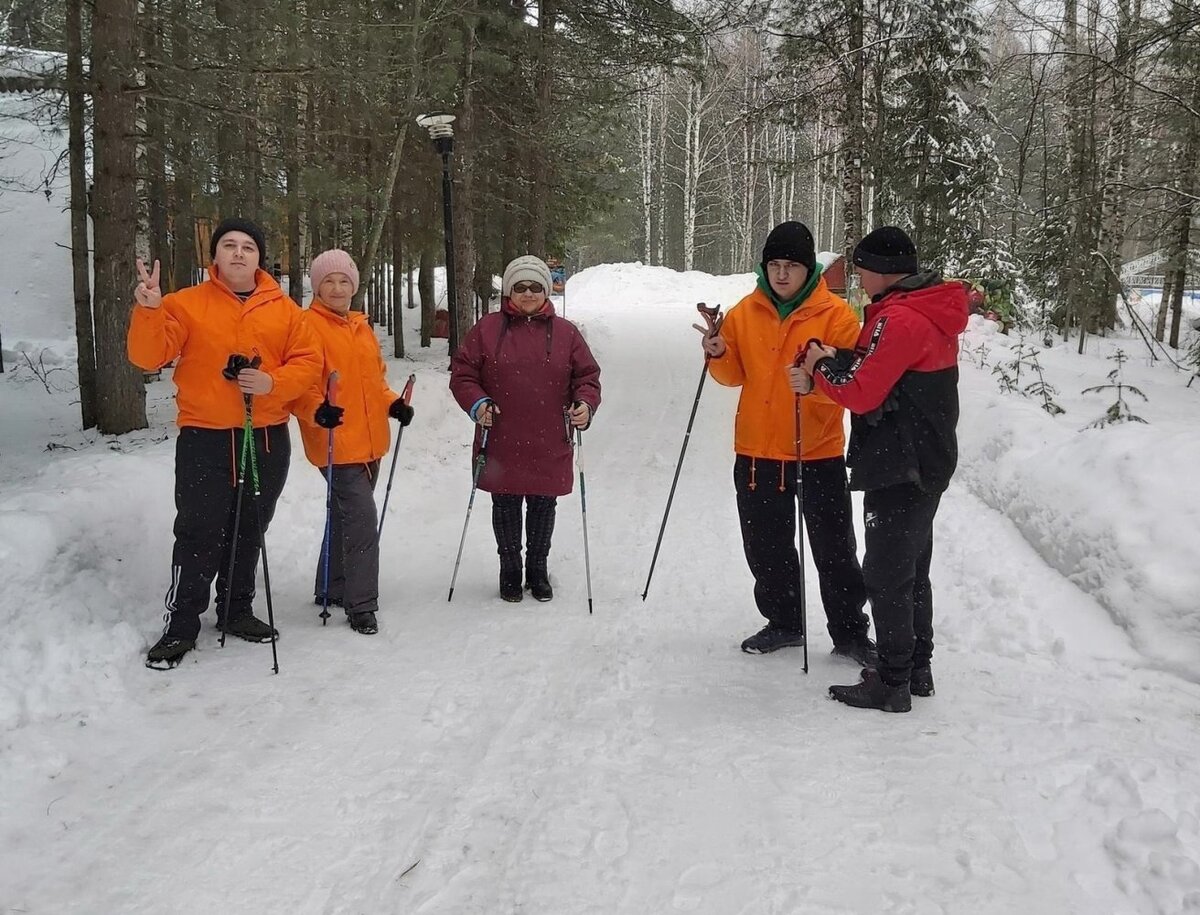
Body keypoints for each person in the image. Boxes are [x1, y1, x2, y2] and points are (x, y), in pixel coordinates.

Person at [128, 217, 321, 669]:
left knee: (248, 527)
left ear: (260, 257)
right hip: (206, 437)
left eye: (248, 246)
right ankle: (181, 625)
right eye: (229, 245)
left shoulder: (286, 309)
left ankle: (236, 610)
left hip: (266, 435)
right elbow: (147, 356)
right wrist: (150, 310)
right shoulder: (184, 304)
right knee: (199, 531)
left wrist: (272, 381)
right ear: (213, 257)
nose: (238, 253)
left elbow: (309, 362)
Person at [792, 226, 968, 712]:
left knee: (887, 572)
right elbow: (885, 371)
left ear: (881, 271)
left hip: (901, 462)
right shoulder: (924, 309)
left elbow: (863, 391)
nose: (856, 276)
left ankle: (892, 682)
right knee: (912, 567)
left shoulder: (902, 319)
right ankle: (916, 668)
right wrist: (838, 357)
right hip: (922, 457)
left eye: (861, 267)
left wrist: (819, 366)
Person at [700, 220, 872, 661]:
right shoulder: (744, 311)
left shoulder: (835, 316)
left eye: (790, 266)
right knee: (766, 545)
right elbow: (732, 375)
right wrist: (718, 353)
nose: (780, 274)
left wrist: (814, 384)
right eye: (774, 265)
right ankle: (784, 622)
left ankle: (850, 631)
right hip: (757, 451)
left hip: (816, 450)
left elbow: (851, 378)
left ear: (808, 269)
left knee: (834, 547)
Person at [449, 255, 601, 602]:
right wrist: (477, 402)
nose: (528, 293)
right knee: (505, 504)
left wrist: (584, 404)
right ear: (509, 291)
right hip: (501, 433)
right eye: (520, 287)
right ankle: (509, 569)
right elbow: (463, 374)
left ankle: (537, 568)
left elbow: (587, 377)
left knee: (543, 504)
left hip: (549, 435)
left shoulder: (567, 333)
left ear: (546, 291)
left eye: (535, 287)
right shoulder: (487, 329)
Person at [293, 249, 413, 635]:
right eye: (328, 281)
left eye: (344, 280)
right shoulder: (307, 326)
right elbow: (301, 385)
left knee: (344, 515)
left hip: (371, 440)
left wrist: (393, 404)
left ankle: (330, 586)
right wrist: (317, 409)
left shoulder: (361, 328)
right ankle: (361, 604)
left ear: (354, 286)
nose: (337, 287)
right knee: (361, 520)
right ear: (317, 286)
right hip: (336, 440)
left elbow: (373, 383)